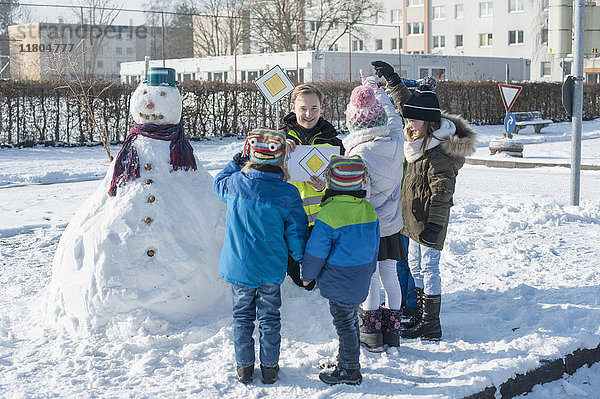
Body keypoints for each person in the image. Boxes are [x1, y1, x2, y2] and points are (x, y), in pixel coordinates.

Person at [213, 128, 308, 384]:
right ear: (282, 160)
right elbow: (297, 234)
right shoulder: (288, 194)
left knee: (242, 318)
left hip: (239, 270)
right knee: (269, 318)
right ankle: (269, 369)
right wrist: (303, 263)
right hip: (270, 270)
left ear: (249, 155)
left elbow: (218, 181)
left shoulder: (233, 184)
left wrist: (235, 161)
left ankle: (244, 369)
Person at [399, 77, 476, 340]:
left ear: (430, 122)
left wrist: (435, 225)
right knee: (415, 266)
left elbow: (443, 193)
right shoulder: (419, 142)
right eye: (408, 121)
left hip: (430, 221)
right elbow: (405, 106)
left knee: (429, 268)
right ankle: (421, 317)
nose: (409, 125)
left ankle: (431, 323)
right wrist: (394, 82)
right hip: (413, 220)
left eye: (414, 121)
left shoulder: (439, 152)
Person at [301, 155, 379, 385]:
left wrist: (308, 276)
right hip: (361, 275)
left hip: (338, 278)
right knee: (351, 320)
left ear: (330, 182)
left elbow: (316, 252)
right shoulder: (368, 209)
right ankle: (346, 358)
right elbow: (375, 244)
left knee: (345, 325)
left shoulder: (329, 213)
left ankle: (350, 370)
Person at [343, 74, 405, 351]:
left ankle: (371, 335)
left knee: (370, 280)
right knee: (390, 276)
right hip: (393, 225)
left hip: (370, 229)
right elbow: (394, 117)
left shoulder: (358, 155)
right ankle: (392, 334)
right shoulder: (395, 141)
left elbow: (359, 197)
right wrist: (375, 90)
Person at [371, 60, 420, 322]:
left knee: (406, 258)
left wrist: (393, 83)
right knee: (396, 259)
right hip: (392, 196)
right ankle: (401, 303)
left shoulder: (415, 126)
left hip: (406, 197)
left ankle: (410, 303)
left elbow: (404, 108)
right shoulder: (388, 126)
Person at [282, 84, 344, 290]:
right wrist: (280, 146)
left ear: (321, 107)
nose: (308, 114)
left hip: (321, 223)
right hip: (289, 220)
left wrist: (325, 187)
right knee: (296, 283)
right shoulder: (279, 139)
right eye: (303, 108)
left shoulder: (334, 143)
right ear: (293, 107)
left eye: (314, 108)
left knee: (316, 283)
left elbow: (345, 185)